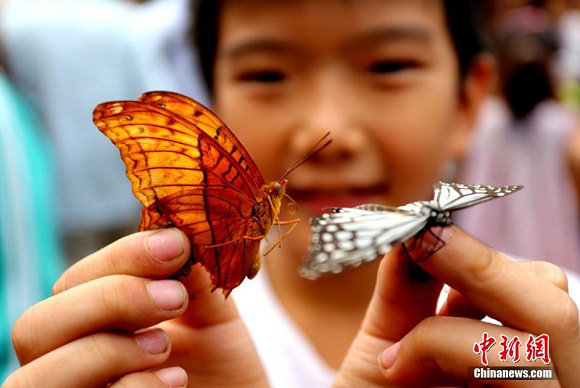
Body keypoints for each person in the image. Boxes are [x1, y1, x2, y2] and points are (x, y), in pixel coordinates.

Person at [4, 0, 580, 386]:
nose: (325, 133)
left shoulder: (543, 334)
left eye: (389, 65)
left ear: (468, 101)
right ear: (213, 96)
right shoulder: (162, 344)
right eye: (267, 75)